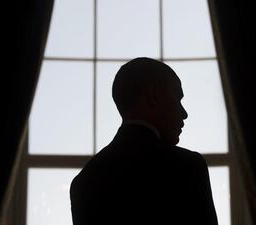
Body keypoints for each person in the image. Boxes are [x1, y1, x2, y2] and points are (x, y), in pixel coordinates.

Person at [70, 57, 218, 225]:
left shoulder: (83, 183)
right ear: (153, 95)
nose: (184, 114)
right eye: (178, 98)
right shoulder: (187, 167)